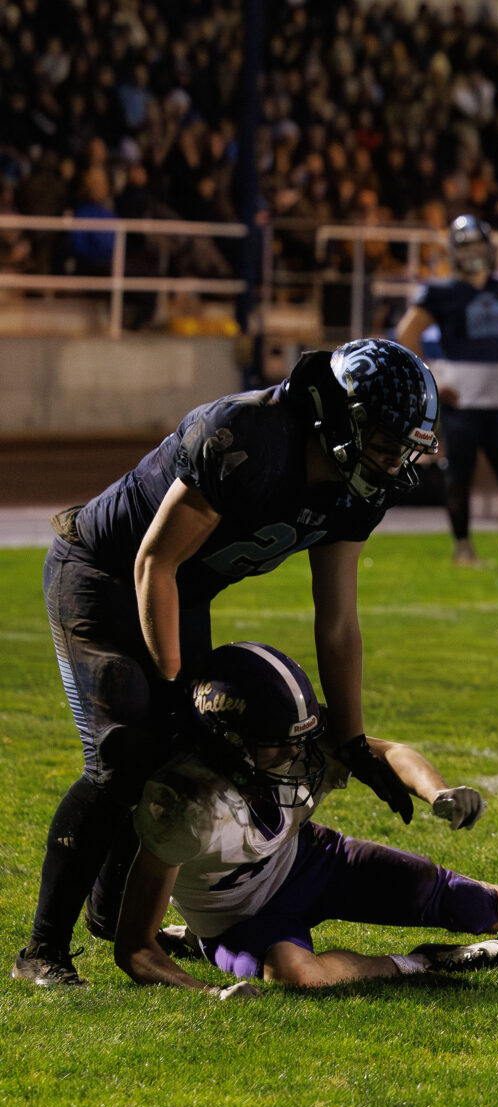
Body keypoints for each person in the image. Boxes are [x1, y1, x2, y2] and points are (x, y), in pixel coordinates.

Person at [16, 339, 442, 988]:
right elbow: (153, 561)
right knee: (127, 753)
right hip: (100, 574)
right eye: (383, 440)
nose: (392, 460)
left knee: (184, 756)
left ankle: (117, 921)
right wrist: (169, 688)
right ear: (340, 418)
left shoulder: (358, 490)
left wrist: (352, 740)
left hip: (179, 590)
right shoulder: (246, 437)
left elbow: (337, 619)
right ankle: (41, 952)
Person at [114, 642, 498, 995]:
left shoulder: (294, 743)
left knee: (496, 905)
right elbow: (135, 948)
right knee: (299, 976)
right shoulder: (186, 806)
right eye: (281, 742)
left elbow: (386, 751)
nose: (301, 753)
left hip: (314, 862)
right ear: (230, 743)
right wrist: (205, 994)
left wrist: (435, 792)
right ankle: (427, 962)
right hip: (239, 915)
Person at [396, 214, 498, 567]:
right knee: (460, 476)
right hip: (462, 397)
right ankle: (463, 548)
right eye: (465, 244)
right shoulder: (441, 291)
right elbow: (407, 335)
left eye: (476, 243)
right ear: (454, 251)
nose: (472, 251)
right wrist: (435, 381)